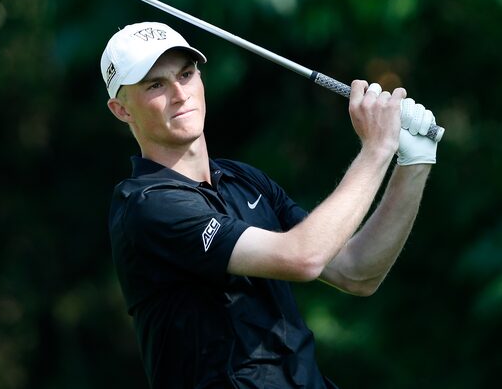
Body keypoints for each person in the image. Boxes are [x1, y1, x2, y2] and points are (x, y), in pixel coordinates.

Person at [101, 21, 438, 388]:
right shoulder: (147, 207)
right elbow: (303, 257)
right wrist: (376, 150)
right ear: (122, 110)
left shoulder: (243, 179)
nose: (180, 94)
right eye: (155, 85)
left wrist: (414, 163)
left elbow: (355, 271)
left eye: (186, 74)